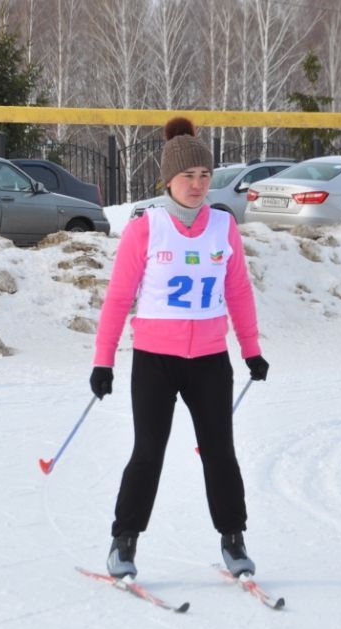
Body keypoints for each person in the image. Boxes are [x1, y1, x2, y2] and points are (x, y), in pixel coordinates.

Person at [90, 116, 269, 580]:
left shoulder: (223, 227)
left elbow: (239, 292)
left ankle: (234, 540)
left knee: (220, 450)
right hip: (155, 360)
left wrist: (251, 349)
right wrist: (102, 361)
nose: (197, 184)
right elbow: (117, 298)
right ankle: (123, 542)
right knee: (148, 451)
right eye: (188, 176)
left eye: (205, 176)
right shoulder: (145, 229)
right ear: (169, 178)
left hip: (210, 360)